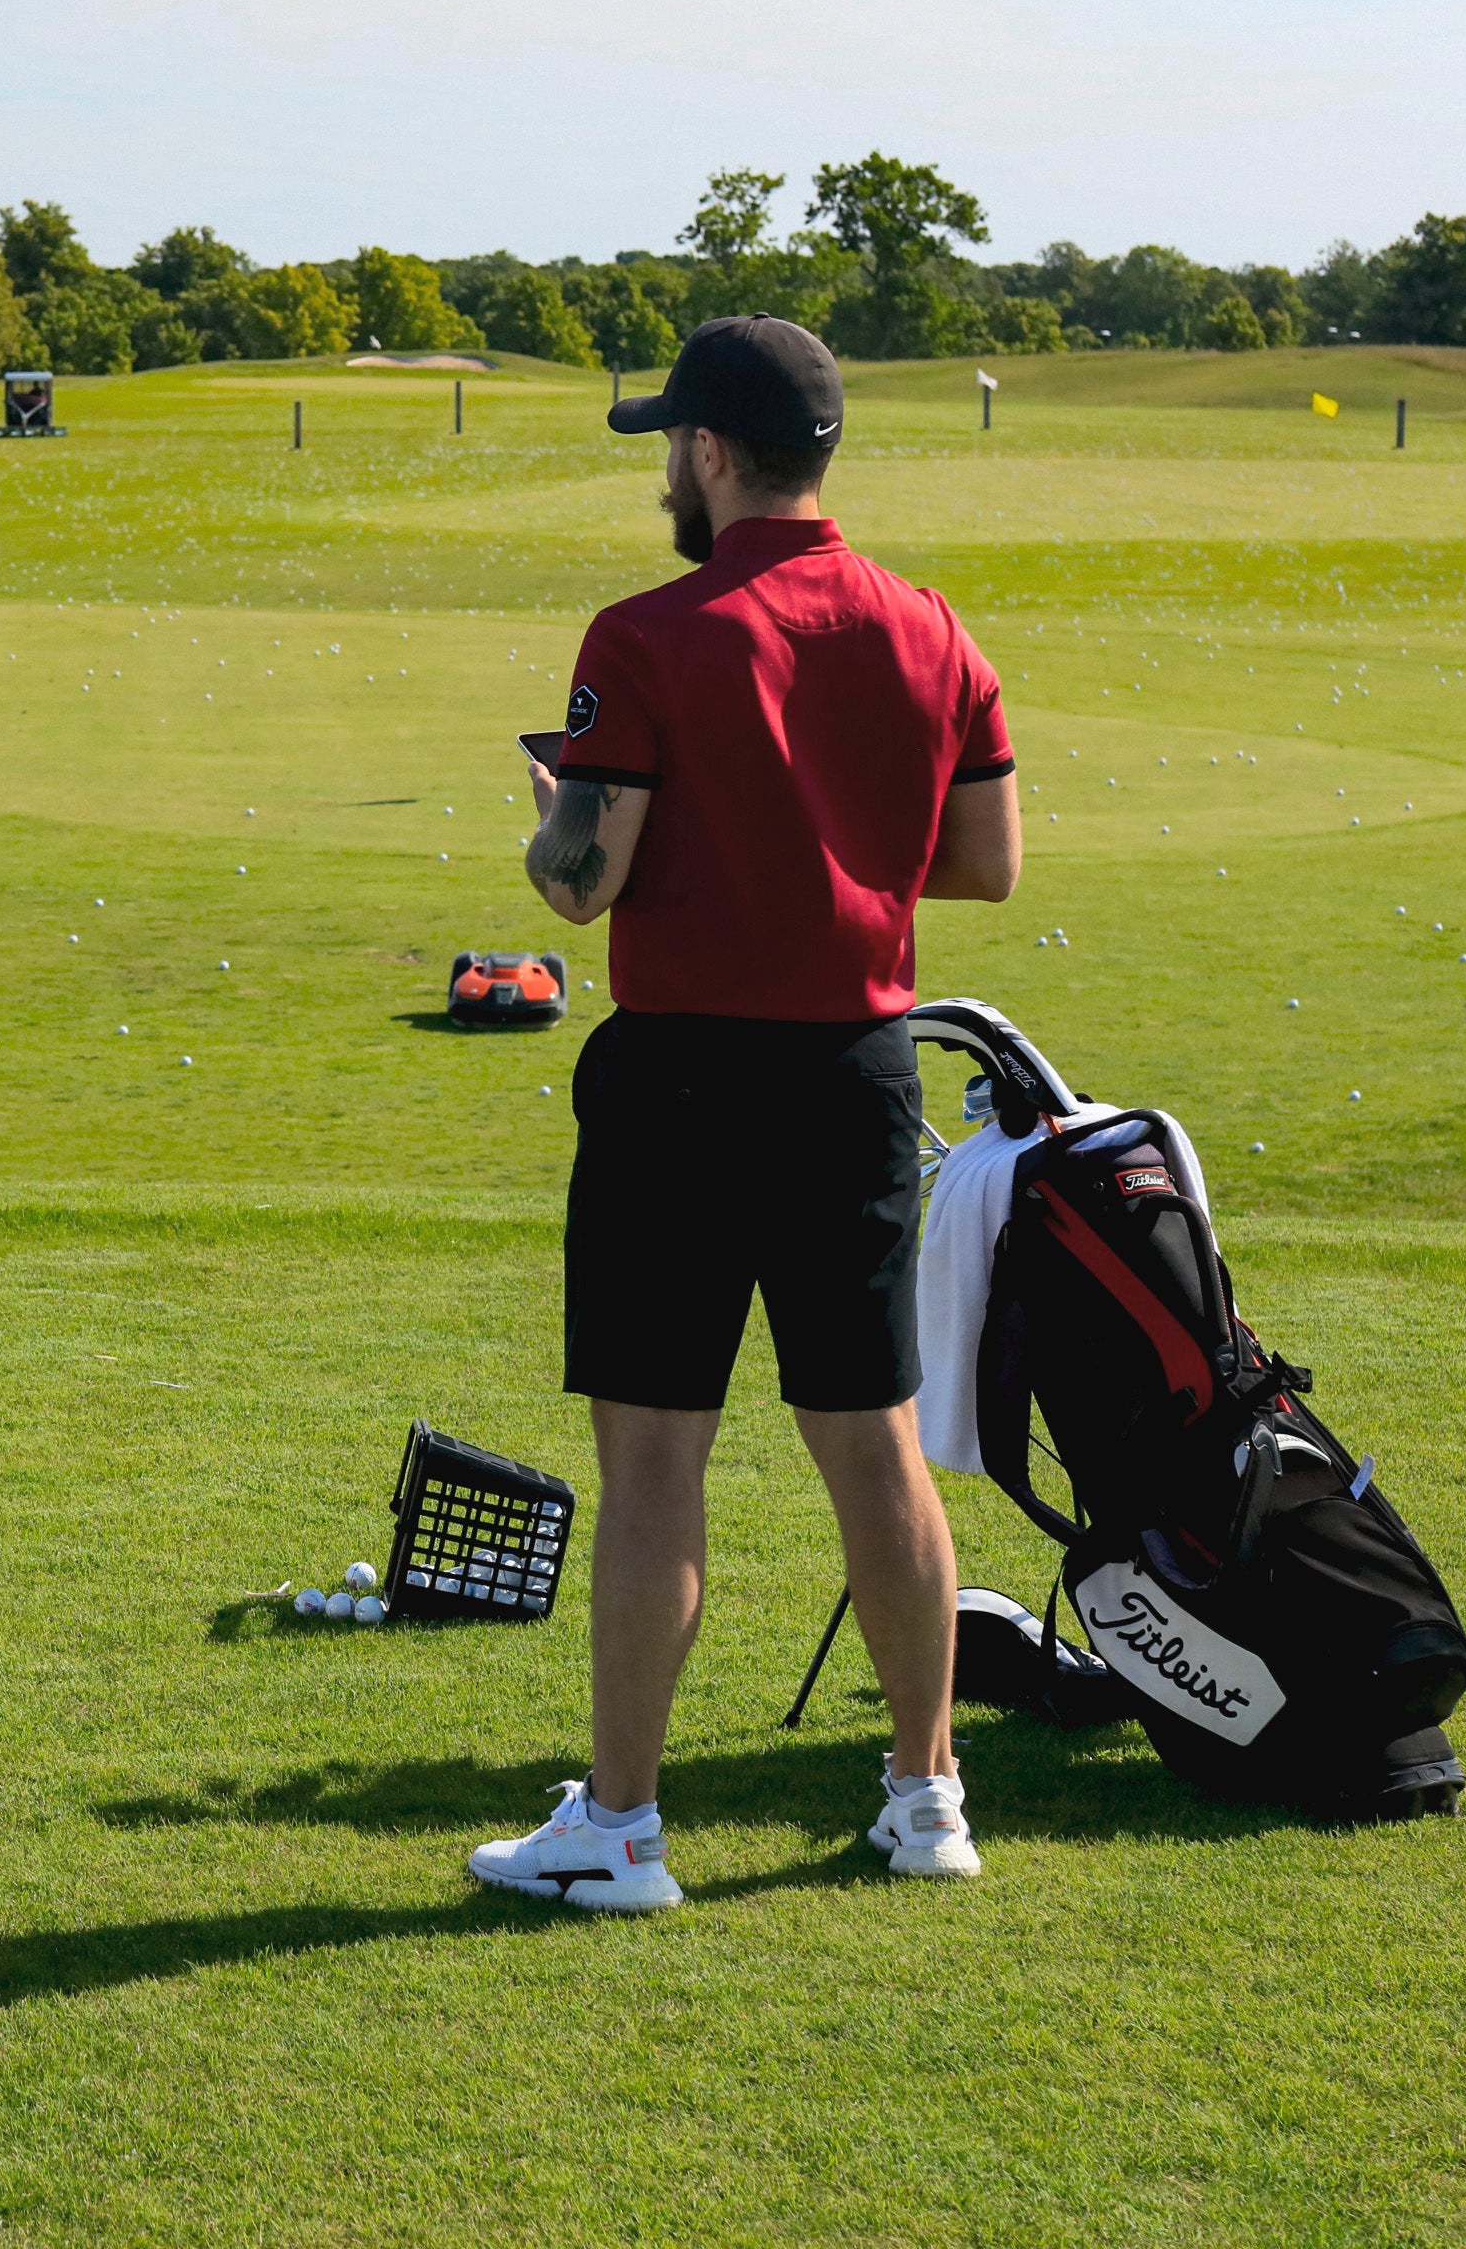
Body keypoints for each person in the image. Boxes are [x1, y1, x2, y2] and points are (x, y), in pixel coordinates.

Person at [465, 314, 1021, 1907]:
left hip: (684, 1083)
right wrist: (818, 847)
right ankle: (928, 1799)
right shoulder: (930, 627)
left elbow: (582, 889)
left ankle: (623, 1830)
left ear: (709, 453)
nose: (665, 475)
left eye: (670, 449)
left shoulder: (643, 634)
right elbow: (986, 865)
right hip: (858, 1076)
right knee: (874, 1447)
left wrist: (550, 820)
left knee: (654, 1461)